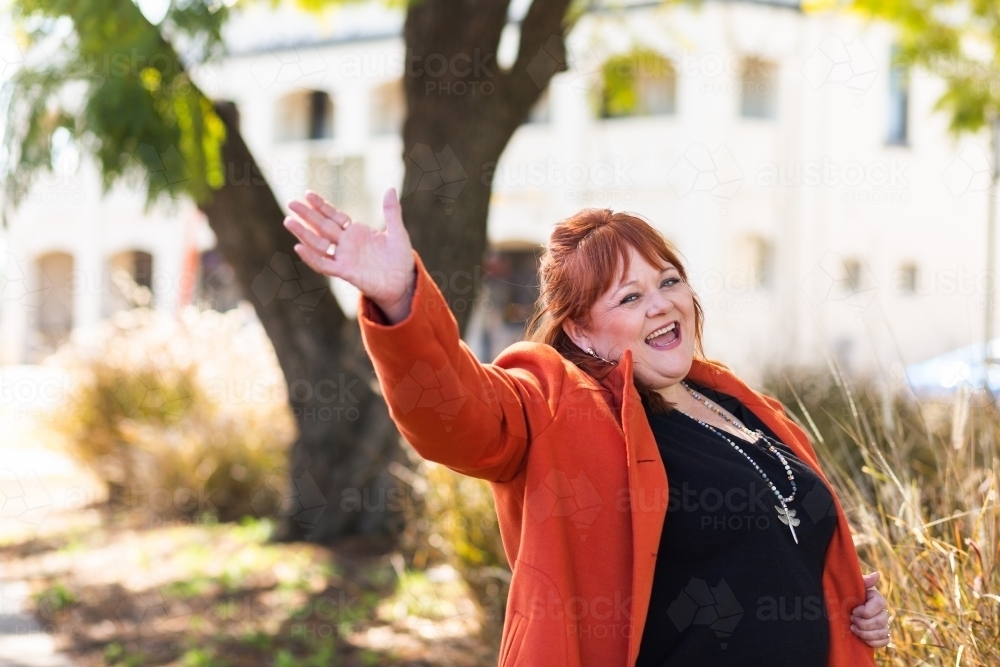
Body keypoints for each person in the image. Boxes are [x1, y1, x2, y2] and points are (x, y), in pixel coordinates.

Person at [283, 188, 891, 667]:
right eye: (629, 298)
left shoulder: (743, 405)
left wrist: (850, 607)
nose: (660, 304)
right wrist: (401, 298)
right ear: (580, 332)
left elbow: (786, 547)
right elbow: (456, 416)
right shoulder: (559, 406)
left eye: (668, 280)